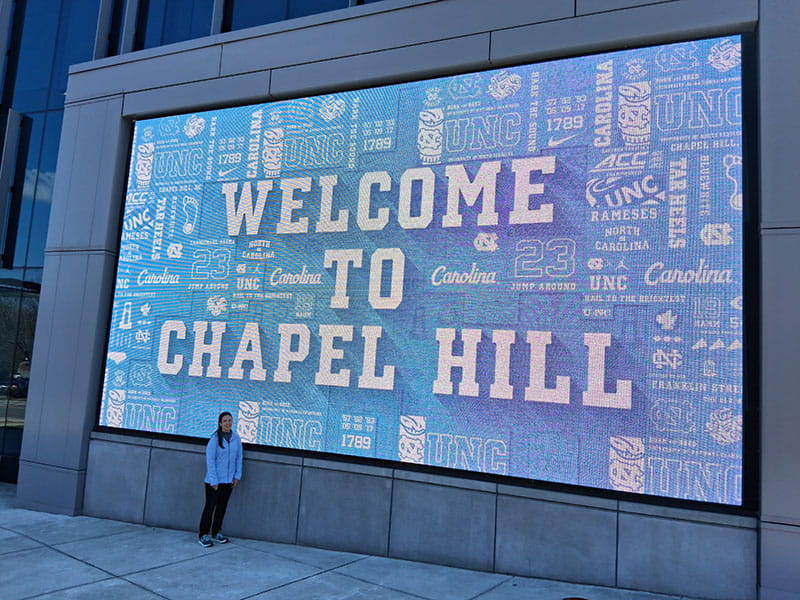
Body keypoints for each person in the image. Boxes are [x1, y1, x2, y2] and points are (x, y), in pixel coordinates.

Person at [198, 411, 242, 547]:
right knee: (210, 508)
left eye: (230, 420)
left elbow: (239, 458)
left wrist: (237, 476)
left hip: (228, 481)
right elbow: (210, 461)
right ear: (220, 423)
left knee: (222, 508)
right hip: (214, 482)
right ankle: (203, 535)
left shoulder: (236, 438)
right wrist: (214, 480)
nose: (228, 423)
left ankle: (216, 532)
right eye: (225, 421)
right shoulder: (214, 439)